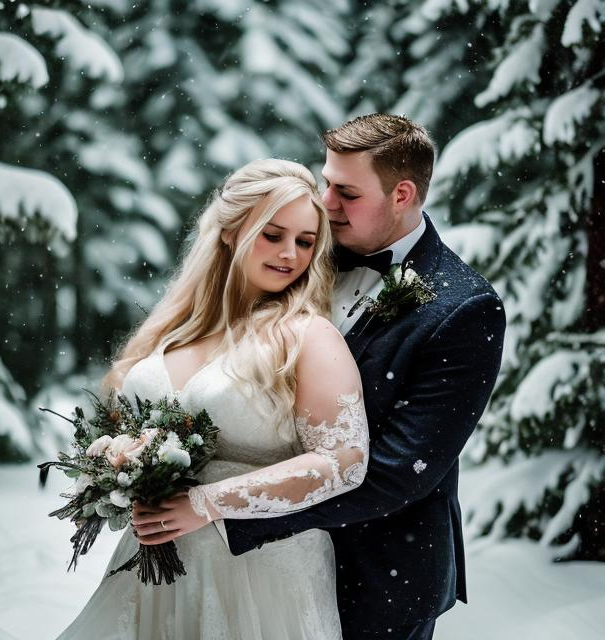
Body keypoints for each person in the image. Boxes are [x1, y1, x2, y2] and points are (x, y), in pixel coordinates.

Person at [212, 114, 507, 639]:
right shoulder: (299, 252)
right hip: (259, 580)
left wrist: (238, 514)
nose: (325, 203)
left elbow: (402, 469)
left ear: (402, 194)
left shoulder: (465, 308)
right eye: (326, 181)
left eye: (346, 191)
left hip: (378, 578)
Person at [56, 158, 369, 640]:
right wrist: (111, 474)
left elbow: (345, 460)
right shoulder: (173, 331)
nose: (290, 254)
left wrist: (205, 502)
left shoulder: (307, 336)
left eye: (305, 242)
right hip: (151, 574)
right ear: (229, 231)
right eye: (273, 234)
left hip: (258, 579)